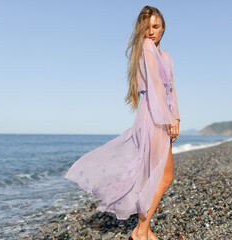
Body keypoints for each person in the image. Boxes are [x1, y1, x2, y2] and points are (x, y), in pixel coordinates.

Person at [64, 6, 180, 240]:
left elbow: (171, 90)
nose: (151, 33)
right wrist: (167, 120)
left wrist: (176, 117)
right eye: (146, 28)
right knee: (164, 176)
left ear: (163, 27)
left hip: (162, 117)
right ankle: (141, 231)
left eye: (155, 27)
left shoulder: (165, 56)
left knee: (155, 177)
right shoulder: (146, 49)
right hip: (153, 117)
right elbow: (156, 89)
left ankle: (143, 230)